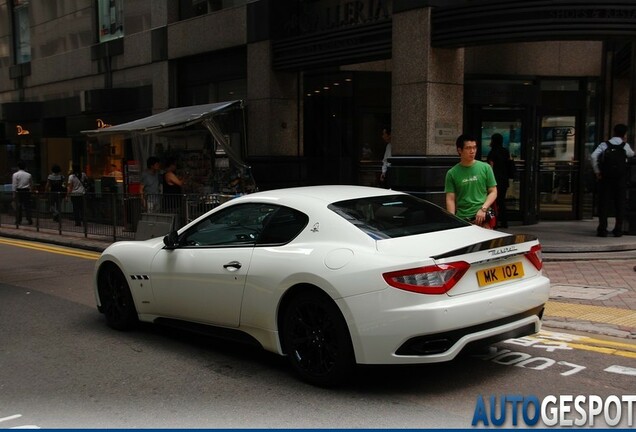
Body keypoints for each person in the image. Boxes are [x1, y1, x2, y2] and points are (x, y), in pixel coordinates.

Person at [591, 123, 635, 237]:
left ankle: (602, 229)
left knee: (604, 203)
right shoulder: (625, 146)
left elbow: (593, 156)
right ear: (624, 134)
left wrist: (597, 171)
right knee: (619, 203)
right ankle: (618, 229)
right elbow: (631, 155)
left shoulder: (604, 145)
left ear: (614, 132)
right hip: (620, 179)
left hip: (606, 178)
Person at [445, 134, 498, 227]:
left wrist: (483, 209)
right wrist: (452, 220)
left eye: (474, 147)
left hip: (483, 216)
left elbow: (493, 191)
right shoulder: (452, 173)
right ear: (459, 150)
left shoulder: (486, 168)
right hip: (463, 219)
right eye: (468, 148)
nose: (472, 151)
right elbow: (450, 199)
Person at [486, 133, 512, 228]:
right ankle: (505, 222)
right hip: (504, 180)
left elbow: (490, 167)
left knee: (493, 203)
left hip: (494, 180)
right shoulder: (505, 151)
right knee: (502, 202)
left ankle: (494, 222)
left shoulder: (492, 152)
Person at [12, 160, 33, 225]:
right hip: (26, 191)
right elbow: (31, 184)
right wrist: (31, 191)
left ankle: (18, 220)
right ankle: (29, 219)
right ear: (25, 167)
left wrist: (14, 194)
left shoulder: (15, 174)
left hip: (18, 191)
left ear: (18, 167)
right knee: (27, 206)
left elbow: (14, 185)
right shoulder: (29, 175)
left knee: (18, 206)